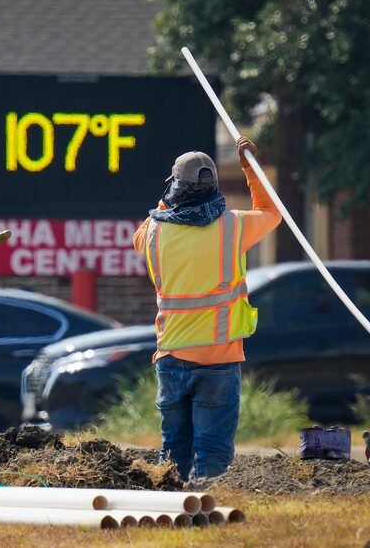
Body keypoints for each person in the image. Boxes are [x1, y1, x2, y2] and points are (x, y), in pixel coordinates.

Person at [132, 137, 281, 480]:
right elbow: (272, 212)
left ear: (175, 189)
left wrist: (171, 194)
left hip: (171, 359)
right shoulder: (233, 227)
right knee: (212, 454)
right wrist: (250, 168)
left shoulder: (152, 233)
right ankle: (208, 517)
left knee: (173, 453)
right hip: (219, 361)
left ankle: (169, 516)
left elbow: (155, 216)